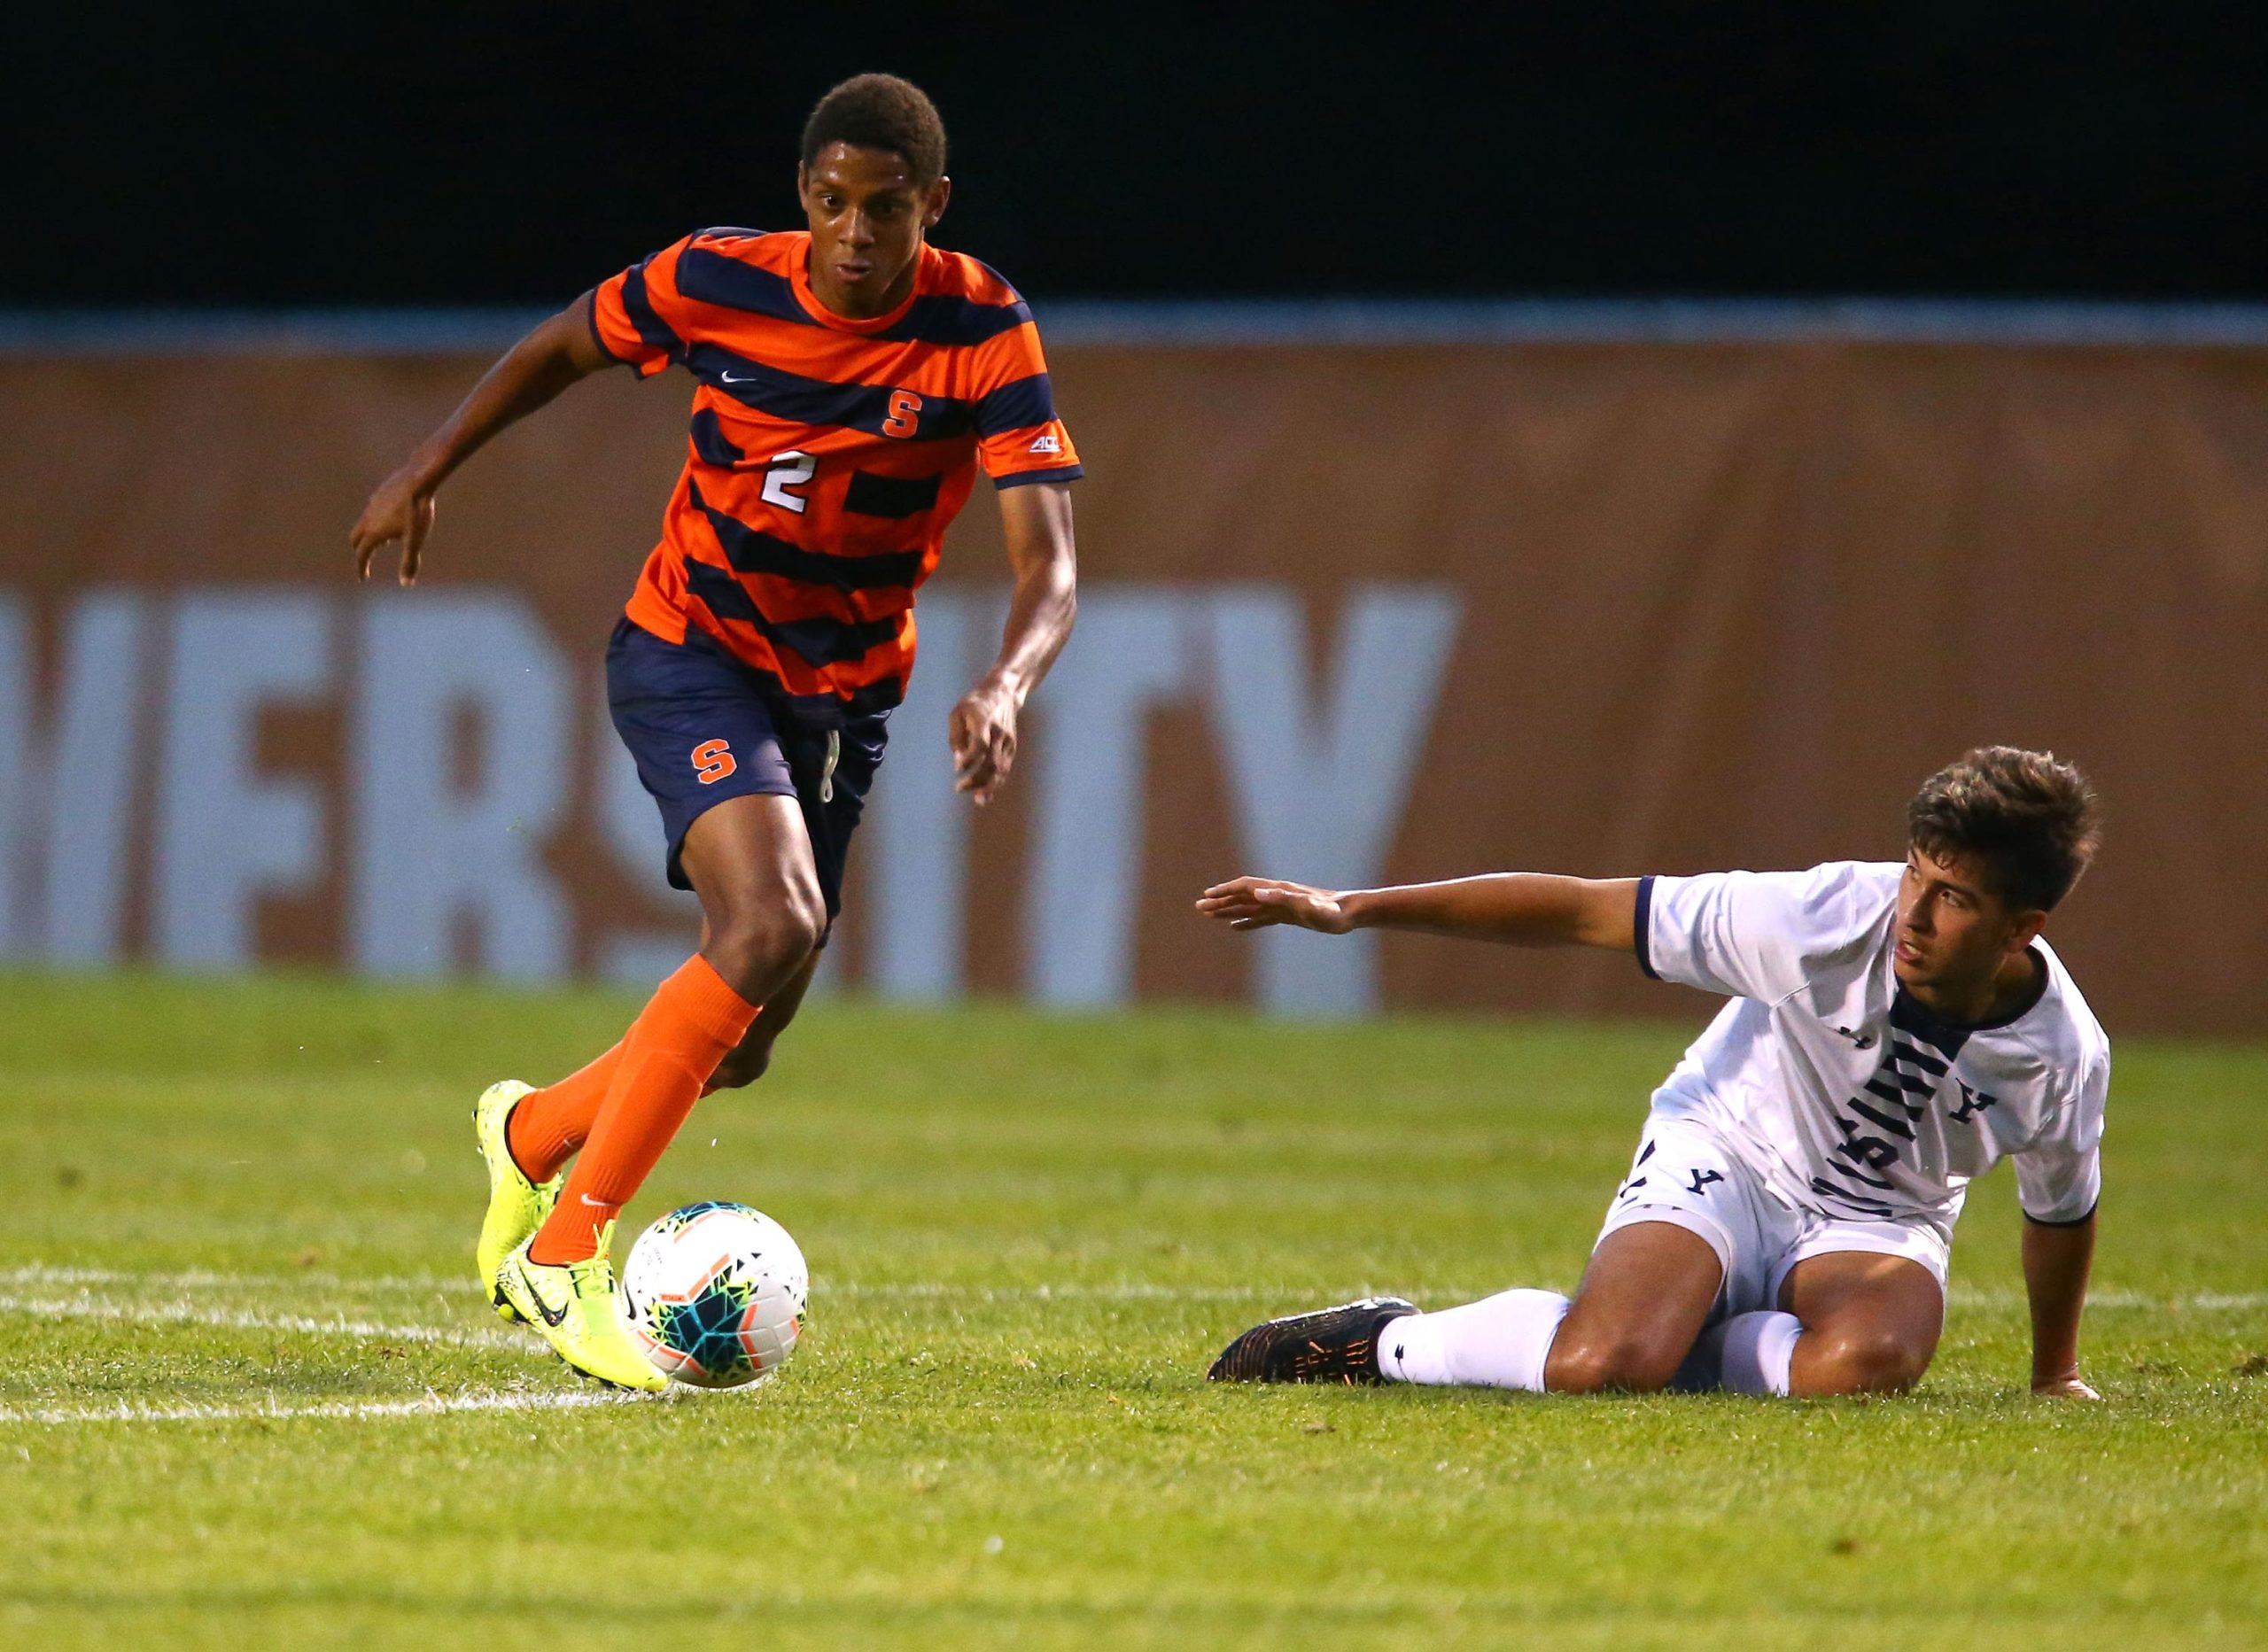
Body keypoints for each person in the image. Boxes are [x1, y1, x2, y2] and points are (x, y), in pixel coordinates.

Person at [347, 74, 1081, 1391]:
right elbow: (563, 346)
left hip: (845, 693)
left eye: (887, 208)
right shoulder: (714, 280)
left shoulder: (983, 324)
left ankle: (531, 1135)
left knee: (741, 1040)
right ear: (802, 195)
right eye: (831, 201)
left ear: (936, 207)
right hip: (690, 647)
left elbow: (1050, 565)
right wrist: (427, 464)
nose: (856, 232)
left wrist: (1010, 681)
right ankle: (565, 1250)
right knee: (769, 925)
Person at [1201, 747, 2106, 1400]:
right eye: (1915, 874)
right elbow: (1584, 911)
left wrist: (2053, 1373)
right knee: (1600, 1368)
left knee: (1863, 1369)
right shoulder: (1821, 915)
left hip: (1875, 1219)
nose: (1913, 912)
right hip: (1728, 1153)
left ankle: (1674, 1327)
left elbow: (2059, 1209)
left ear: (2021, 926)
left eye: (1954, 898)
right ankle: (1383, 1341)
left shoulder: (2061, 1054)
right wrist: (1351, 908)